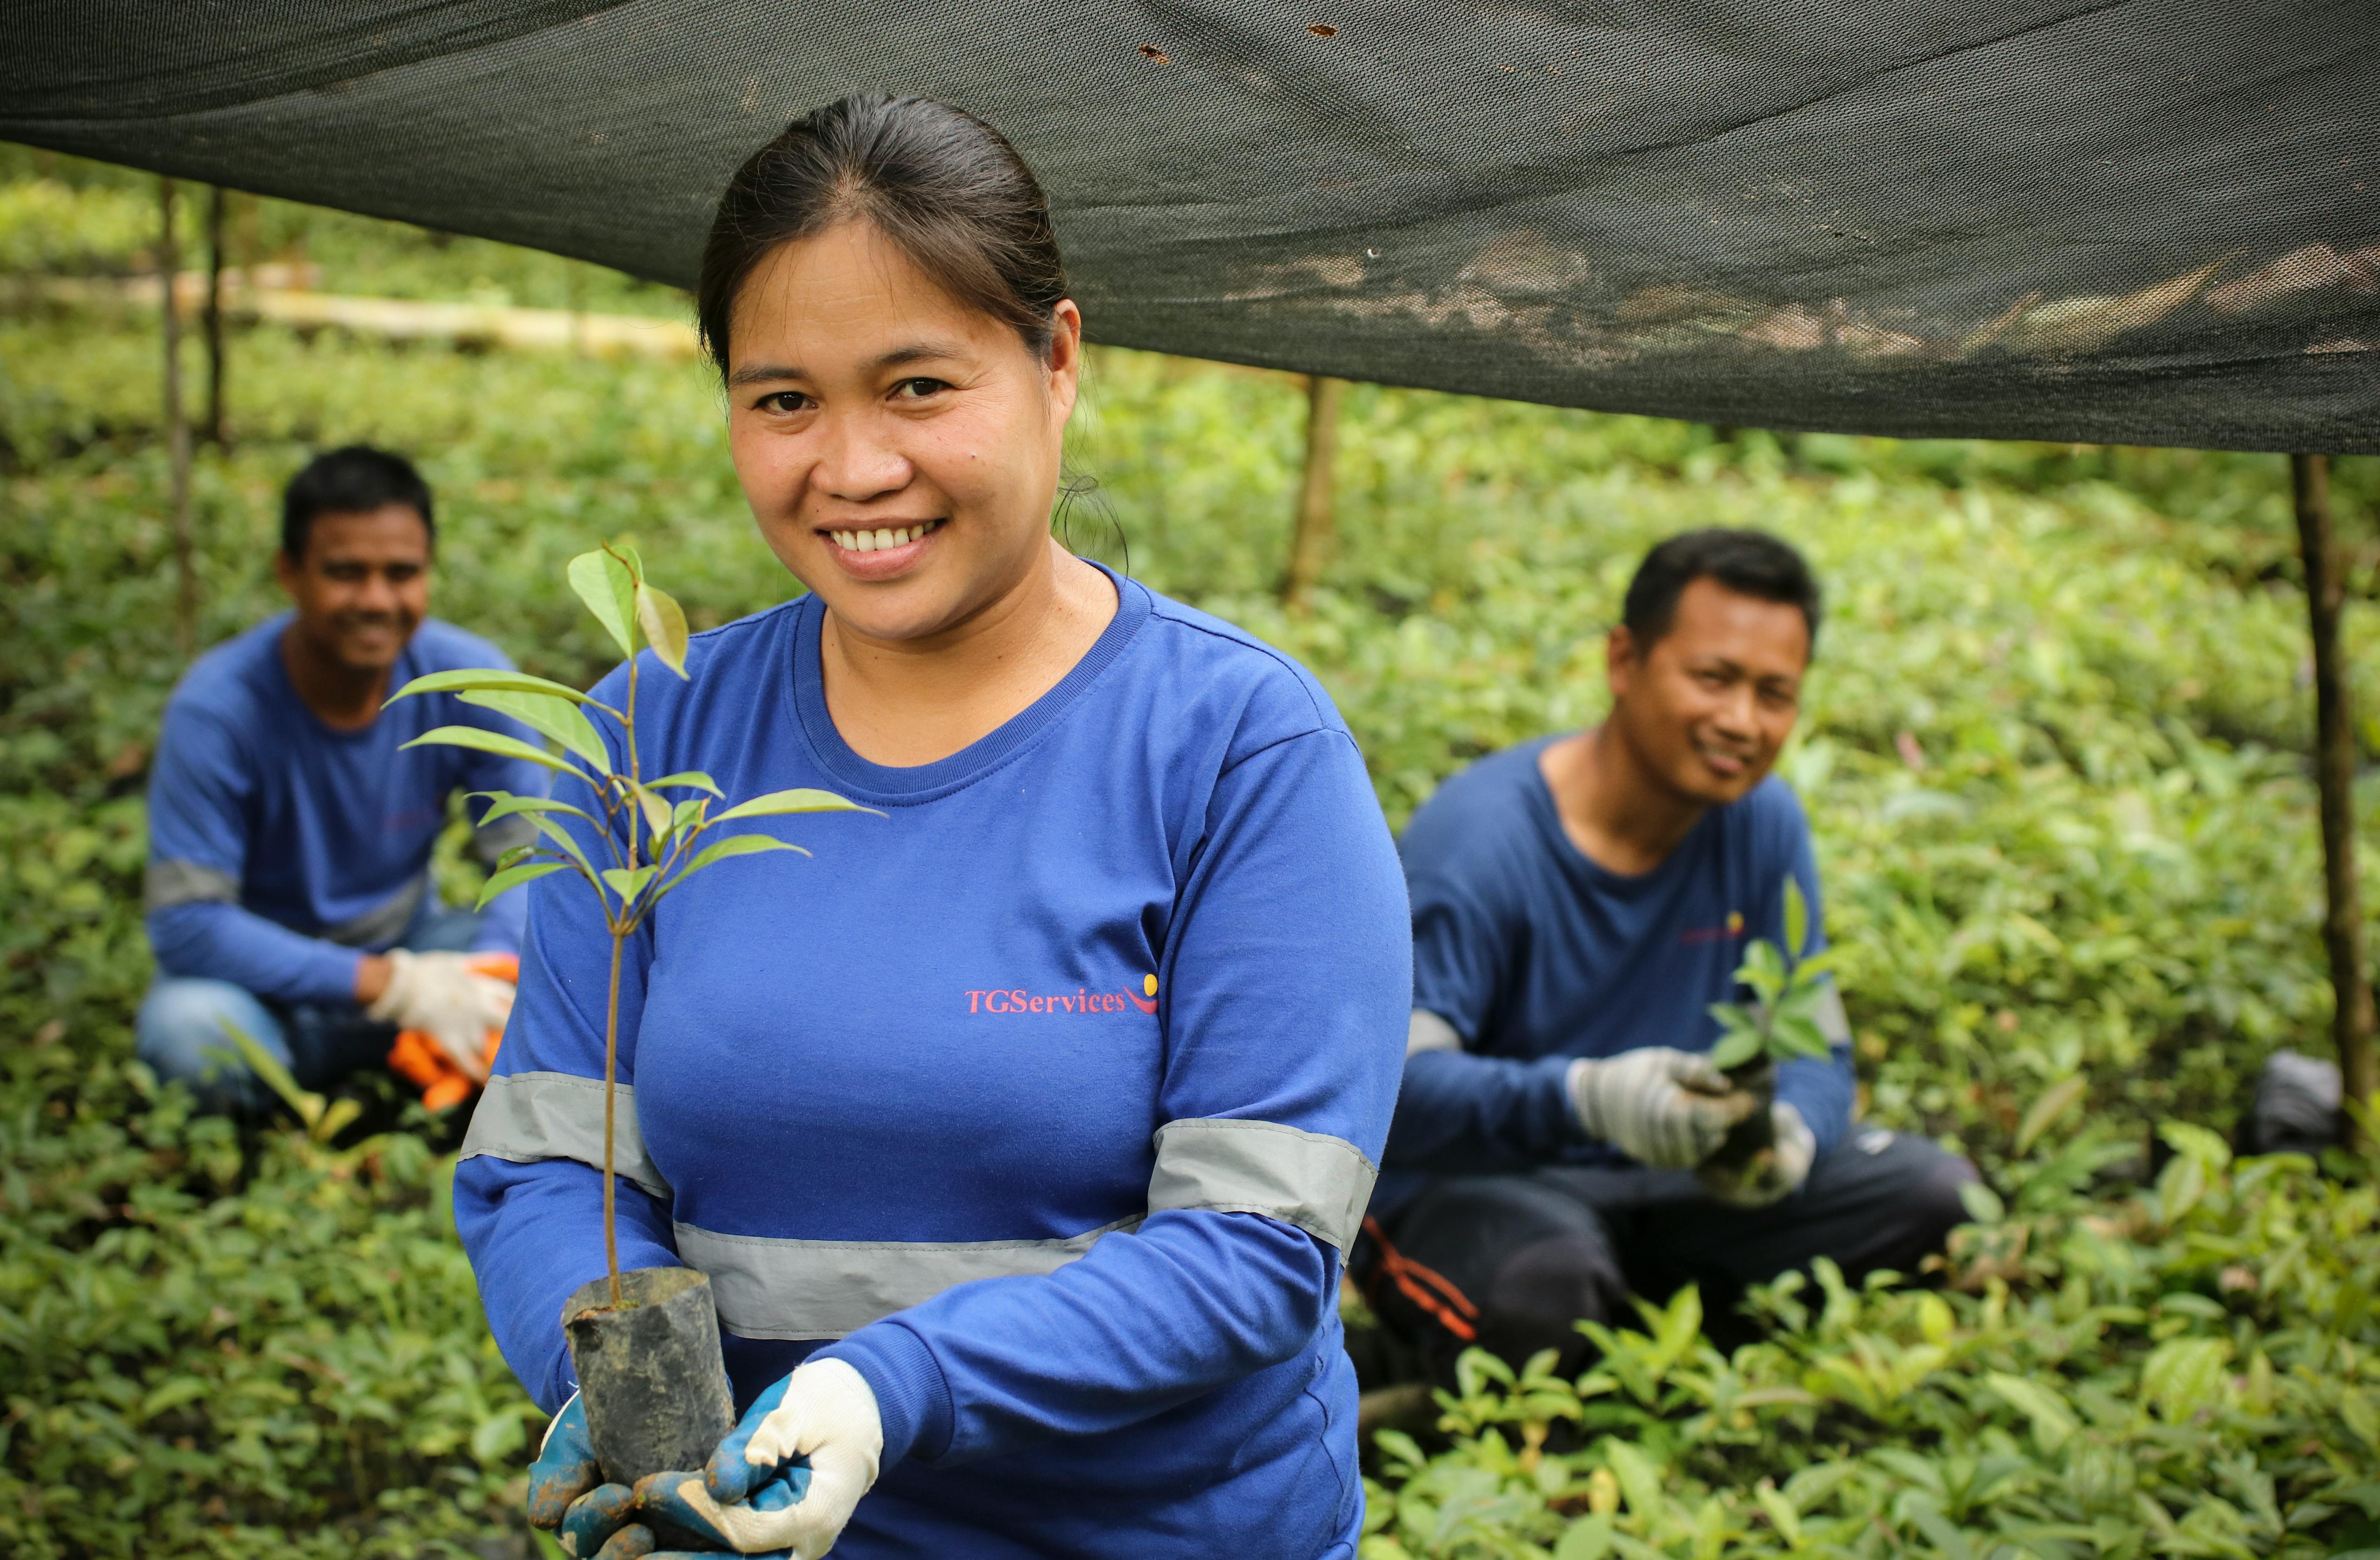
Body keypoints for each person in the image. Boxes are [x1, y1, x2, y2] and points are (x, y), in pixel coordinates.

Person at [453, 94, 1408, 1560]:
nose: (851, 468)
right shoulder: (650, 736)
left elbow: (1255, 1249)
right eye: (784, 400)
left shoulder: (1237, 747)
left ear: (1059, 361)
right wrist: (621, 1390)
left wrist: (892, 1385)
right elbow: (545, 1162)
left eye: (916, 386)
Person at [1360, 528, 1975, 1374]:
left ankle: (1641, 1320)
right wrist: (1585, 1100)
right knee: (1542, 1289)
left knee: (1940, 1196)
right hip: (1487, 1182)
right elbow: (1387, 1093)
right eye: (1714, 679)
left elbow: (1815, 1045)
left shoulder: (1764, 822)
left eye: (1775, 694)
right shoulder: (1482, 841)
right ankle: (1597, 1320)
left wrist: (1788, 1138)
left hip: (1679, 1180)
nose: (1742, 722)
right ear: (1624, 660)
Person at [137, 446, 542, 1115]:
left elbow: (538, 857)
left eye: (402, 573)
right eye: (346, 574)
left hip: (422, 950)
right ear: (289, 573)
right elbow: (188, 922)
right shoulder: (218, 710)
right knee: (190, 1034)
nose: (377, 600)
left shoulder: (468, 678)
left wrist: (489, 976)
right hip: (266, 985)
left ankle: (435, 1062)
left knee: (580, 983)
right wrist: (387, 985)